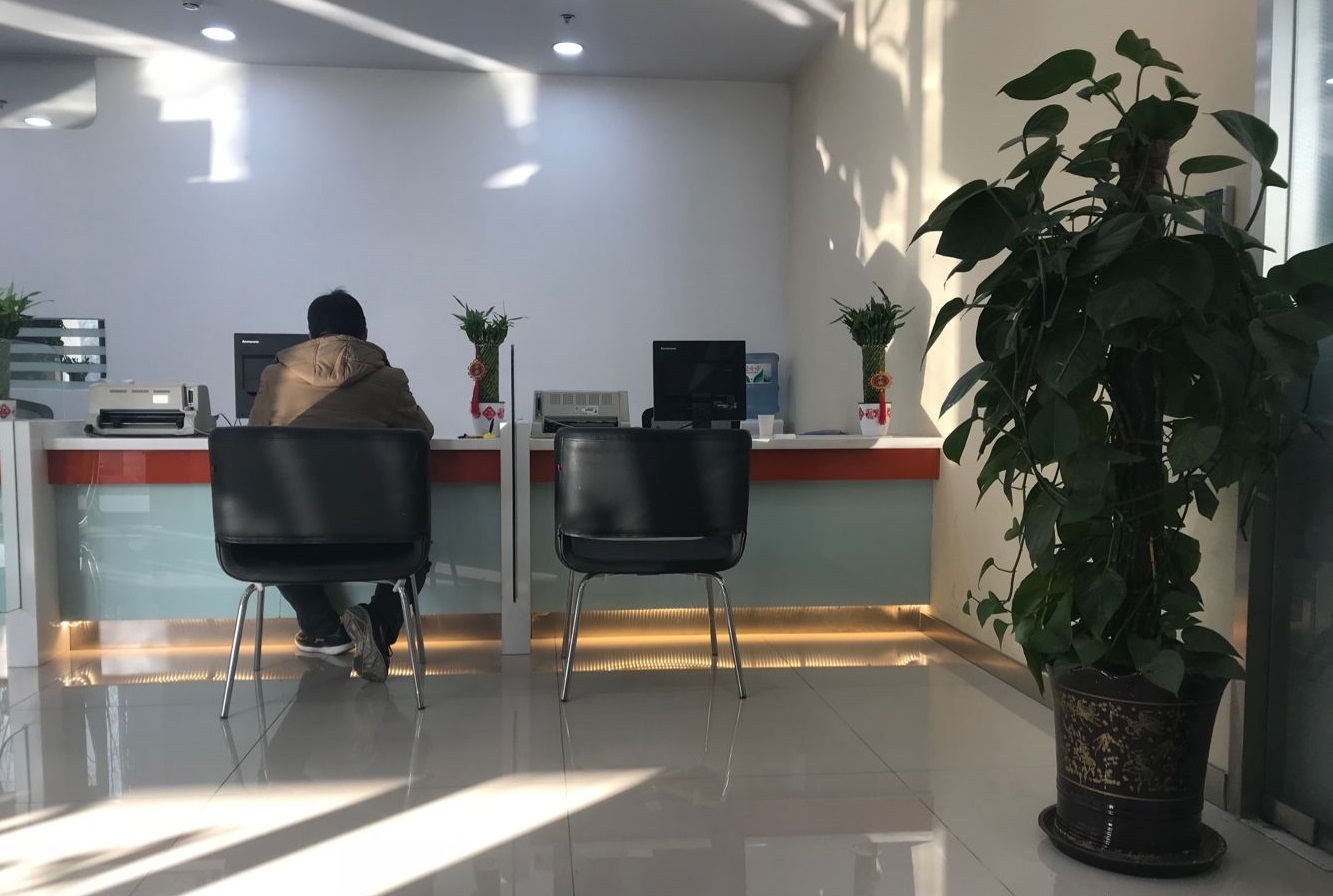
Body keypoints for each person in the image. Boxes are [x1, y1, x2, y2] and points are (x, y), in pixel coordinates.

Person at [249, 288, 434, 682]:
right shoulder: (389, 380)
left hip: (293, 542)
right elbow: (423, 434)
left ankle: (322, 628)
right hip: (380, 542)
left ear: (310, 335)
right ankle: (377, 622)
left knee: (268, 530)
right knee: (418, 544)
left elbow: (254, 440)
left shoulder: (273, 377)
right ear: (364, 333)